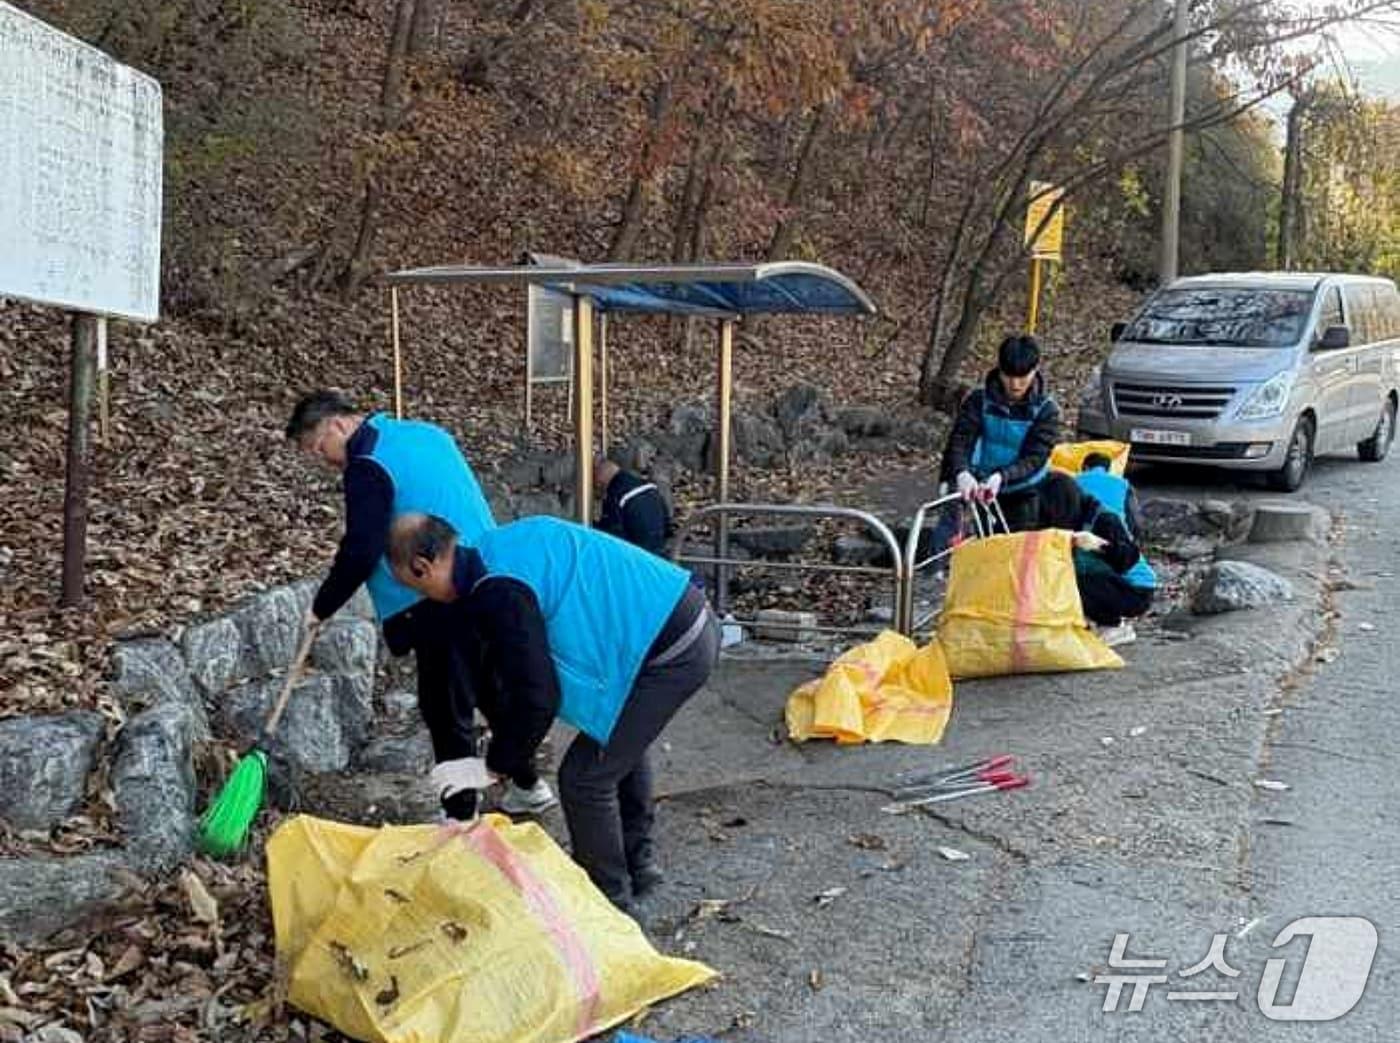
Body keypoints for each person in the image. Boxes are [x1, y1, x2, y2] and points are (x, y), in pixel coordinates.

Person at [388, 512, 719, 912]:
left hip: (671, 647)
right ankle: (639, 867)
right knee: (611, 743)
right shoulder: (496, 552)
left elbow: (538, 695)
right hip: (675, 617)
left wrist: (493, 766)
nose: (425, 599)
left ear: (423, 567)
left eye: (415, 587)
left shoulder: (499, 590)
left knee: (583, 778)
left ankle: (610, 906)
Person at [284, 391, 539, 820]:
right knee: (487, 689)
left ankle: (459, 813)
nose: (323, 459)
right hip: (485, 572)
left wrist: (322, 606)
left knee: (444, 705)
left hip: (434, 592)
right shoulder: (421, 434)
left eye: (318, 447)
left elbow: (362, 548)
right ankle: (530, 784)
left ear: (337, 426)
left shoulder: (367, 465)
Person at [942, 334, 1061, 531]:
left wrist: (1001, 477)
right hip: (977, 484)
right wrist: (961, 471)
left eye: (1022, 377)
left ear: (1035, 370)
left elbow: (1035, 458)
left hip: (1023, 489)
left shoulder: (1046, 410)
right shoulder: (978, 400)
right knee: (953, 534)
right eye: (1008, 376)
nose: (1015, 384)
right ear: (999, 370)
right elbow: (961, 440)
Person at [1034, 472, 1155, 644]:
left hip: (1136, 590)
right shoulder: (1066, 519)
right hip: (1106, 582)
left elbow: (1129, 558)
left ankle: (1113, 625)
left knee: (1073, 583)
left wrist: (1099, 545)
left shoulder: (1104, 520)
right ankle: (1094, 618)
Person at [595, 456, 672, 557]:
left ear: (601, 475)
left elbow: (611, 534)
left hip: (636, 555)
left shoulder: (617, 494)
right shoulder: (649, 488)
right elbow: (667, 521)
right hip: (657, 551)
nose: (597, 485)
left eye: (598, 482)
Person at [1075, 452, 1146, 542]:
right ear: (1108, 469)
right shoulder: (1123, 483)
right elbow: (1135, 518)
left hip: (1084, 538)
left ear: (1085, 467)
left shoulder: (1074, 480)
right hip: (1118, 539)